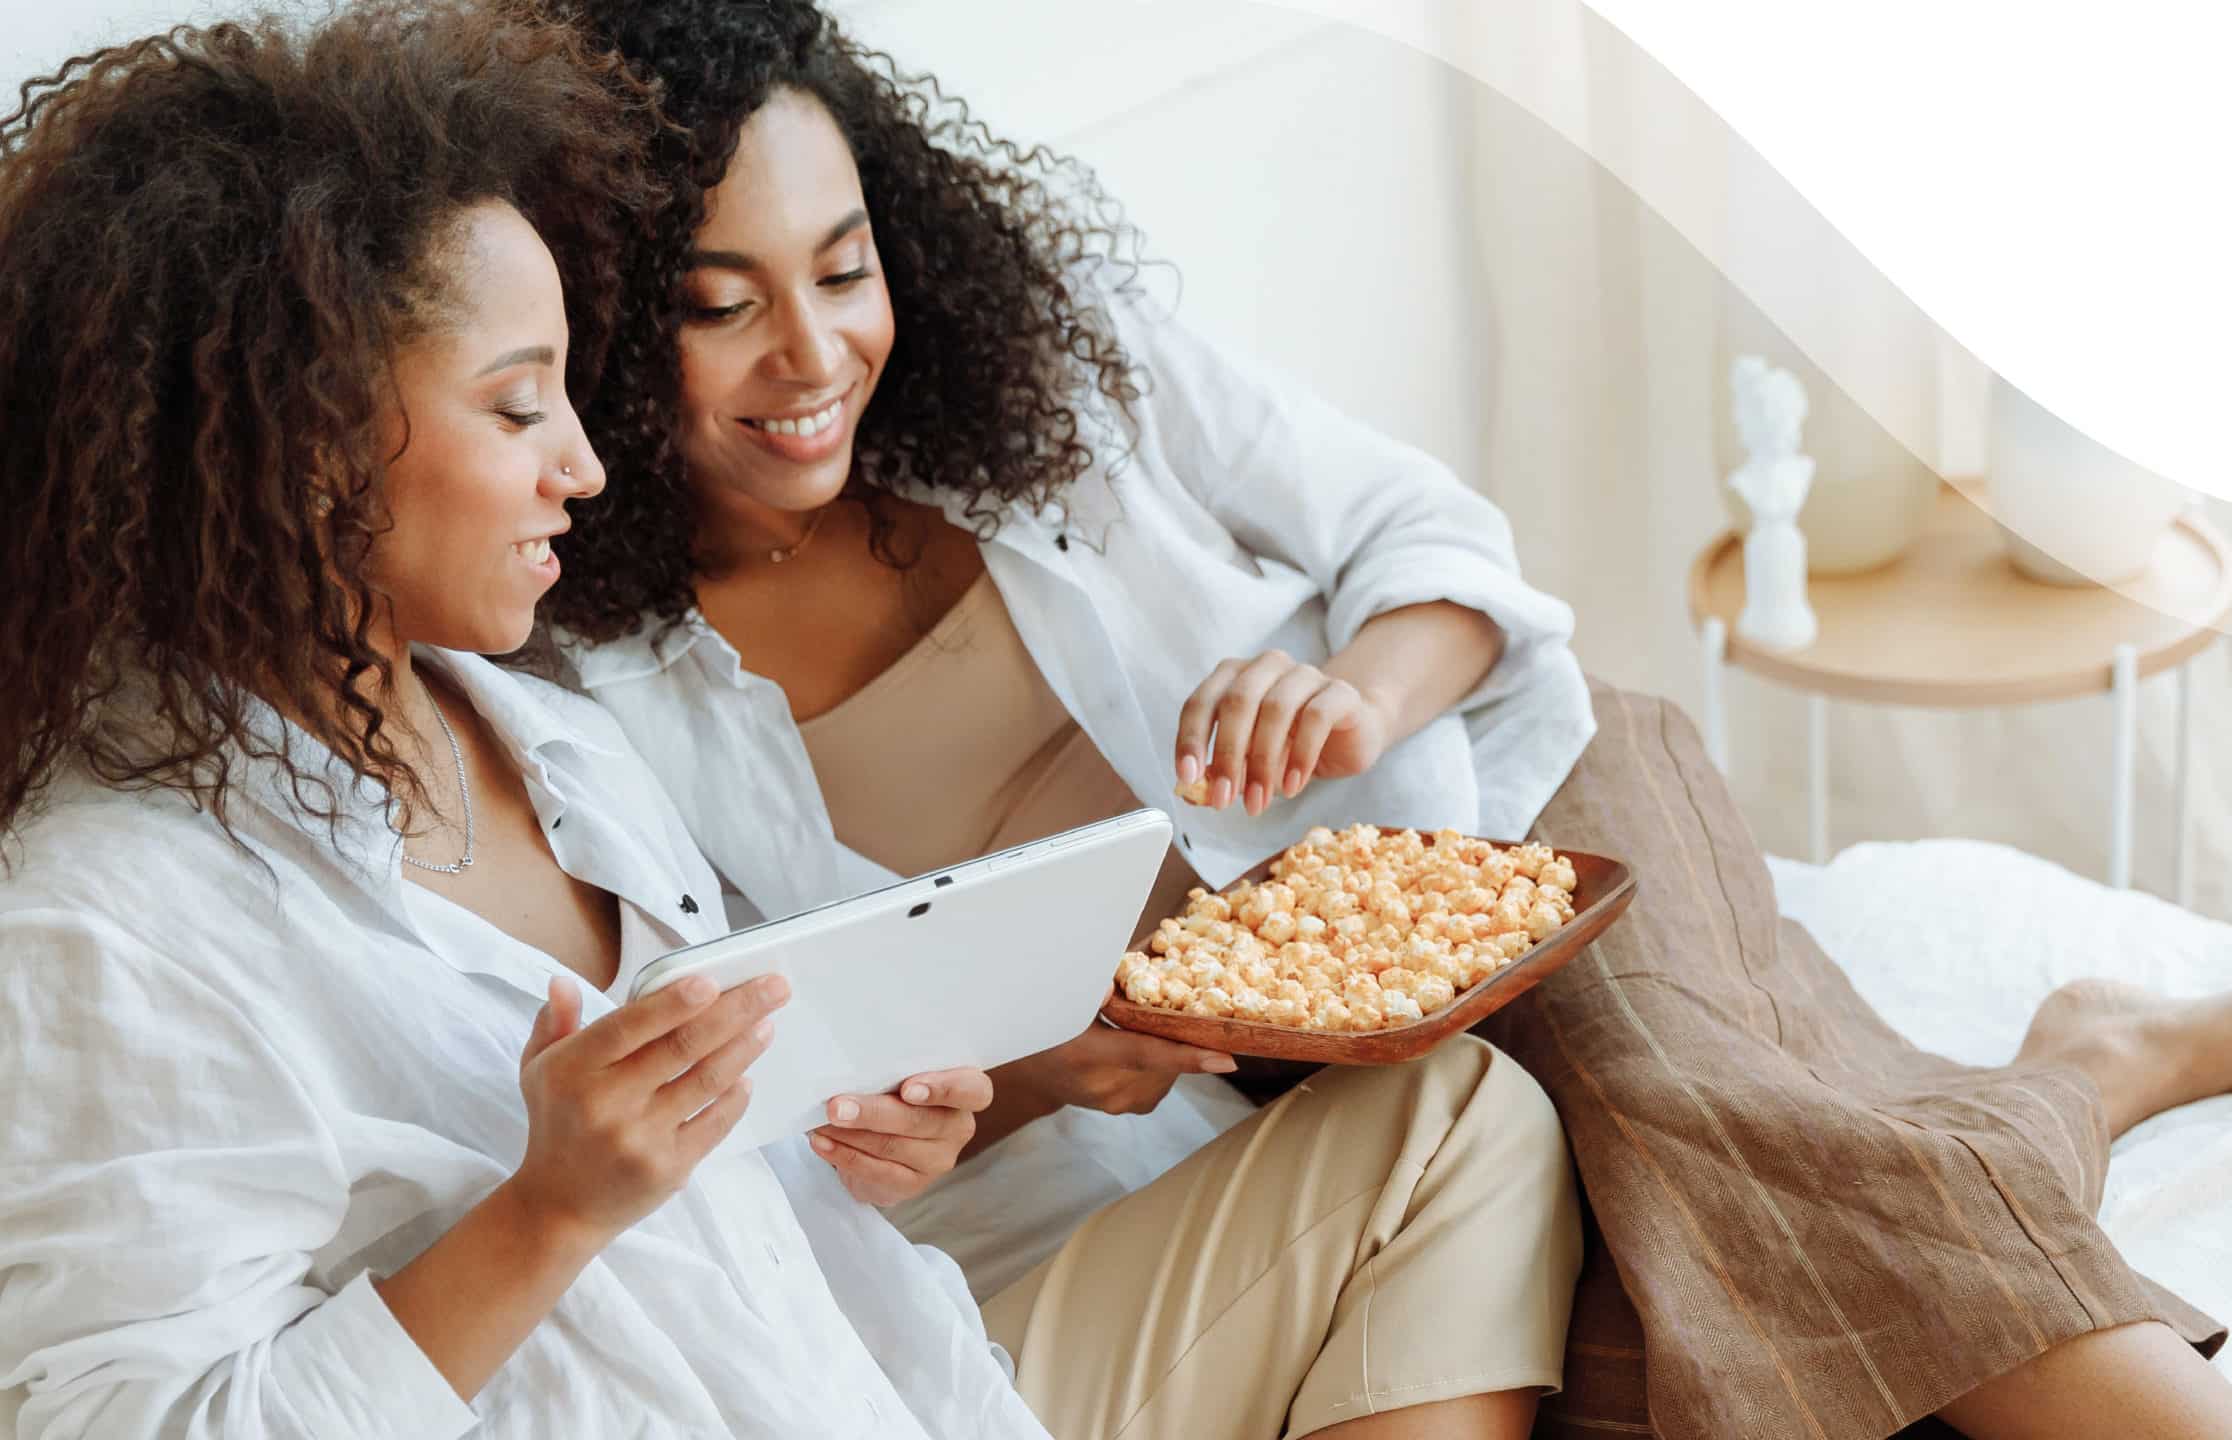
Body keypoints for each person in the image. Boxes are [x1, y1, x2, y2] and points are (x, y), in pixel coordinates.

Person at [538, 2, 2232, 1437]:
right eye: (721, 307)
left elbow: (1432, 539)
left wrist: (1347, 692)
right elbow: (822, 1089)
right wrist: (1059, 1068)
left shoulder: (1053, 365)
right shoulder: (607, 698)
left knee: (1728, 1147)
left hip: (1513, 812)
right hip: (1280, 1070)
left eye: (846, 266)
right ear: (608, 342)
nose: (815, 357)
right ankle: (2089, 1073)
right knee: (1674, 1344)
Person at [0, 7, 1578, 1438]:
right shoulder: (106, 921)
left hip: (917, 1382)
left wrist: (891, 1130)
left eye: (566, 393)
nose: (582, 466)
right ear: (303, 447)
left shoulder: (530, 738)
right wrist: (546, 1213)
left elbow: (775, 1210)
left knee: (1477, 1126)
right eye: (516, 402)